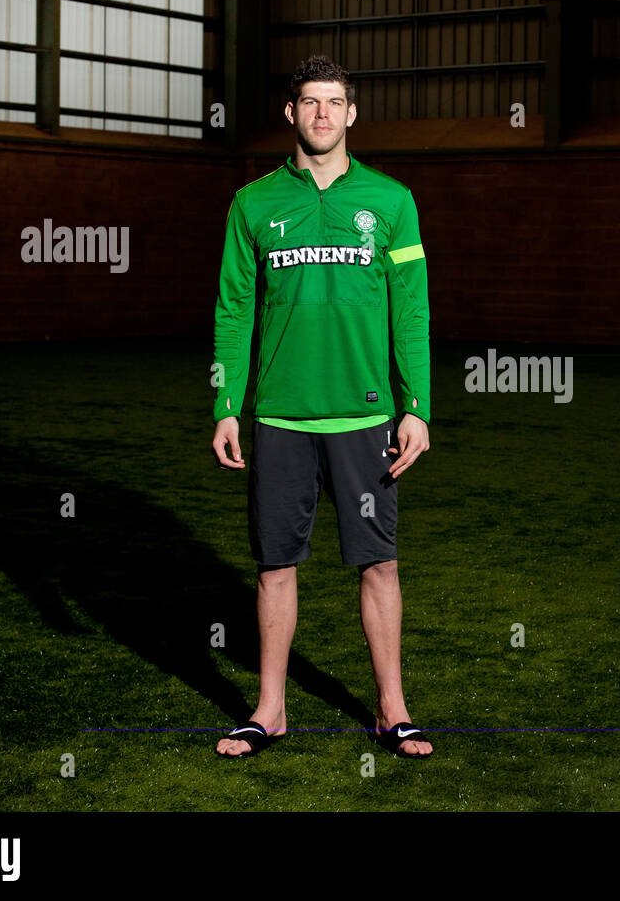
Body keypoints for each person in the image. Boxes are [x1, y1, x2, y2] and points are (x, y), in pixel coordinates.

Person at [210, 55, 432, 758]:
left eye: (334, 103)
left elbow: (412, 313)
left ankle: (391, 709)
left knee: (380, 563)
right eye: (310, 102)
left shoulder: (392, 203)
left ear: (352, 113)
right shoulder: (253, 204)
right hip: (279, 419)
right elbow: (233, 310)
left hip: (365, 421)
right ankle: (270, 710)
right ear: (292, 113)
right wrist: (226, 404)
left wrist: (417, 406)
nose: (323, 114)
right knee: (276, 564)